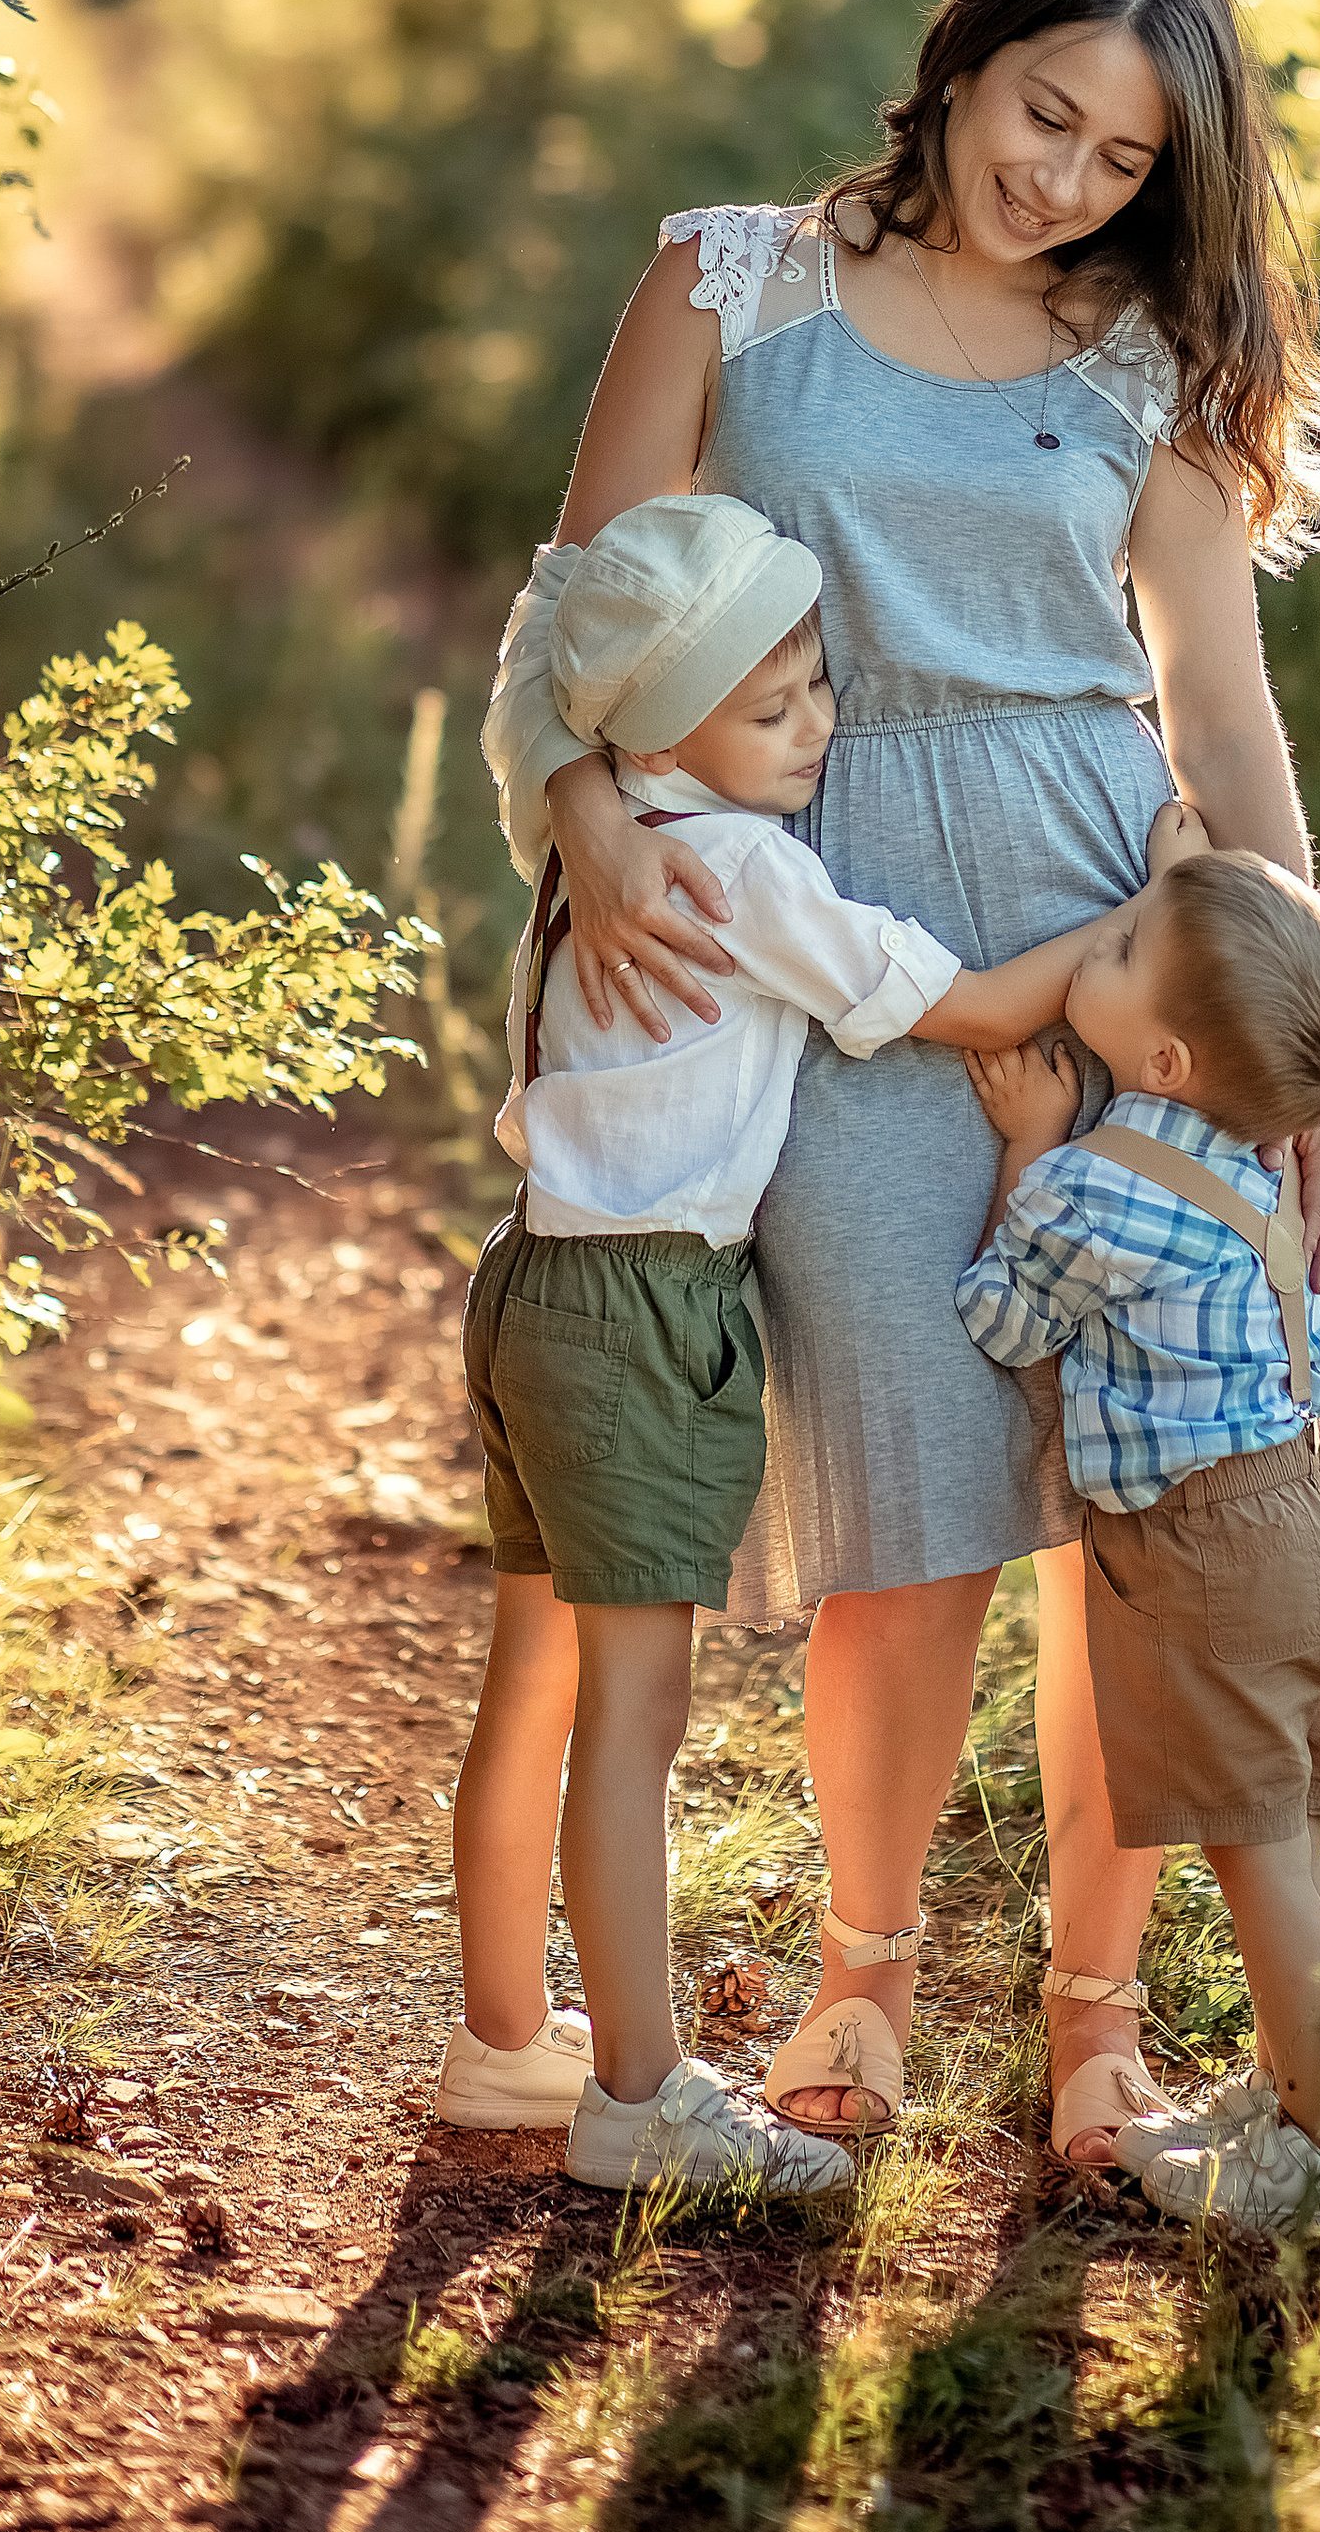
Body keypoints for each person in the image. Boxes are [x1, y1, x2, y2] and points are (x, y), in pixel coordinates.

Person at [480, 0, 1320, 2162]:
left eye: (1116, 157)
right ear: (961, 63)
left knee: (1131, 1500)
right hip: (823, 950)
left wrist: (1303, 1048)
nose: (1060, 177)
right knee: (904, 1501)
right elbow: (574, 613)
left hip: (1111, 958)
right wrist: (587, 811)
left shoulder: (1139, 364)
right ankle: (860, 1989)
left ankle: (1100, 2031)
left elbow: (1223, 719)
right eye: (1040, 112)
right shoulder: (725, 281)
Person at [439, 491, 1169, 2192]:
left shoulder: (591, 829)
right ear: (666, 728)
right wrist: (1154, 924)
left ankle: (500, 2040)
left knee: (530, 1678)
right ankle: (635, 2096)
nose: (820, 727)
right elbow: (978, 1008)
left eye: (818, 688)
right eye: (773, 710)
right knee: (633, 1714)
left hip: (531, 1280)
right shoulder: (750, 870)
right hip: (650, 1306)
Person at [956, 848, 1320, 2238]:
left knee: (1258, 1849)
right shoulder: (1249, 1149)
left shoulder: (1097, 1187)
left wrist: (1026, 1149)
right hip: (1310, 1505)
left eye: (1126, 946)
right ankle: (1284, 2097)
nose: (1098, 939)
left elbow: (1003, 1323)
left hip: (1211, 1542)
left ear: (1160, 1057)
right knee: (1277, 1837)